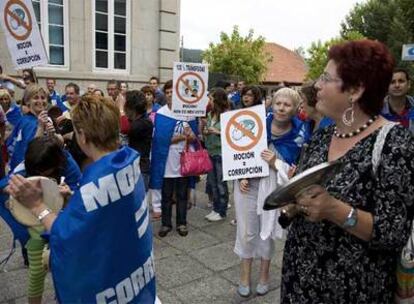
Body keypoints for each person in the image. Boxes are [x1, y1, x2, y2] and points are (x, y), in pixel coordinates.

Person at [280, 40, 414, 303]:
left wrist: (334, 210)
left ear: (354, 90)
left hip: (353, 289)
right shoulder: (322, 137)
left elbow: (393, 232)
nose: (317, 85)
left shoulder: (394, 144)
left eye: (325, 78)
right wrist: (292, 199)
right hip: (299, 281)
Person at [7, 96, 157, 303]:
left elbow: (65, 236)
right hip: (135, 277)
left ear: (83, 136)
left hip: (110, 287)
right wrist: (72, 202)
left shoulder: (97, 180)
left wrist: (37, 205)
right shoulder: (128, 161)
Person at [234, 86, 306, 298]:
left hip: (274, 189)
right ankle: (245, 276)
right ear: (272, 104)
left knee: (267, 233)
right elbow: (239, 153)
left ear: (294, 109)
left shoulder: (299, 133)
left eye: (287, 105)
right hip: (248, 186)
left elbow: (295, 173)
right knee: (247, 232)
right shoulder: (256, 123)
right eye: (278, 103)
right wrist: (242, 175)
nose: (282, 108)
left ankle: (264, 275)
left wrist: (276, 163)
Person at [149, 80, 198, 236]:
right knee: (166, 195)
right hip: (167, 162)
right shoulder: (161, 114)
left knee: (183, 194)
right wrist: (176, 139)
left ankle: (182, 223)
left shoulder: (188, 113)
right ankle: (166, 224)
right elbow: (158, 140)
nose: (170, 95)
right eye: (168, 92)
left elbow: (195, 139)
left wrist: (190, 137)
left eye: (173, 92)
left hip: (184, 161)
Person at [203, 88, 230, 222]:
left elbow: (232, 135)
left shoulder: (227, 115)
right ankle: (215, 208)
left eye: (211, 99)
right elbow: (206, 130)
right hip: (210, 150)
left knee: (221, 183)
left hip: (221, 153)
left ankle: (222, 210)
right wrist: (206, 131)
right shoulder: (210, 114)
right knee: (212, 182)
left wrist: (218, 132)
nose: (210, 101)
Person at [124, 90, 153, 190]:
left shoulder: (145, 122)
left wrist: (120, 111)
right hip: (129, 168)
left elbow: (125, 129)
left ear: (131, 107)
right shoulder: (134, 120)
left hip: (140, 169)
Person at [382, 68, 414, 133]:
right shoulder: (376, 111)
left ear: (408, 84)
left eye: (401, 81)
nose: (397, 85)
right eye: (392, 82)